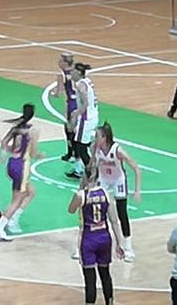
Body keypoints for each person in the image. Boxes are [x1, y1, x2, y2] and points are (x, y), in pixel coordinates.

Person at [68, 165, 124, 305]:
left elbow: (71, 210)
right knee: (105, 274)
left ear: (84, 176)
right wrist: (119, 243)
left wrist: (80, 189)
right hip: (104, 238)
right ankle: (109, 302)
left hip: (88, 239)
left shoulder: (81, 195)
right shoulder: (106, 193)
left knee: (90, 279)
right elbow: (114, 220)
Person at [0, 104, 41, 241]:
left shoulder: (15, 129)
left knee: (31, 192)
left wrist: (4, 153)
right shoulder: (32, 131)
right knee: (16, 201)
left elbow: (4, 143)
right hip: (22, 166)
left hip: (12, 163)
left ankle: (14, 218)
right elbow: (33, 153)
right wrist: (40, 155)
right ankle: (0, 228)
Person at [94, 122, 142, 262]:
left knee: (122, 213)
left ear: (105, 137)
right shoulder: (95, 148)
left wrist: (137, 190)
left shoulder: (118, 151)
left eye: (97, 136)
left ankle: (128, 247)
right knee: (99, 210)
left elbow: (136, 168)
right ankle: (100, 242)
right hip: (104, 179)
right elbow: (92, 165)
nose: (95, 139)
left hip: (118, 180)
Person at [67, 63, 99, 179]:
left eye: (73, 71)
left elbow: (85, 103)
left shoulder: (80, 85)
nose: (71, 73)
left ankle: (93, 174)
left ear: (79, 73)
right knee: (81, 143)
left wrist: (76, 113)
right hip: (93, 116)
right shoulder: (87, 81)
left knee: (81, 149)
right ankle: (85, 169)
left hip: (86, 119)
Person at [50, 53, 78, 164]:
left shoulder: (61, 74)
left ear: (65, 63)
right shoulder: (76, 72)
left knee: (69, 129)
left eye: (61, 61)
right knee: (76, 130)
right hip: (78, 102)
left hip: (70, 103)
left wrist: (54, 93)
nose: (59, 62)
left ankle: (72, 153)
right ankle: (75, 154)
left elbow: (59, 92)